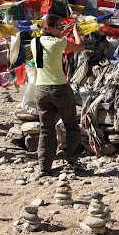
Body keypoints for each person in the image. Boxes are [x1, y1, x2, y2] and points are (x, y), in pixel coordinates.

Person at [32, 14, 85, 175]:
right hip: (59, 88)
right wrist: (75, 31)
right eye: (59, 26)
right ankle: (72, 162)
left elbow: (54, 39)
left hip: (41, 89)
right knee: (71, 125)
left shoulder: (36, 42)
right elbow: (80, 47)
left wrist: (63, 30)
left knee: (46, 129)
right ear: (49, 28)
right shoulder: (58, 43)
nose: (62, 29)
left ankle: (44, 166)